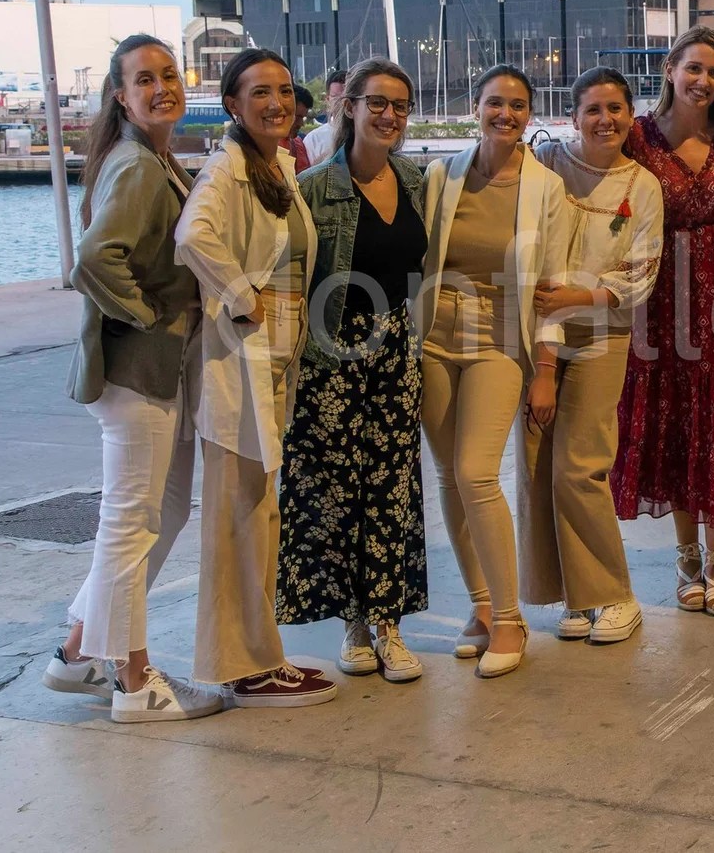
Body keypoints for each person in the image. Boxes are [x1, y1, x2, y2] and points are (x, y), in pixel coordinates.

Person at [42, 34, 223, 722]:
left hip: (156, 373)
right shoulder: (140, 166)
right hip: (136, 373)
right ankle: (134, 680)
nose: (160, 87)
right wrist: (148, 313)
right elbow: (92, 259)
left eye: (169, 74)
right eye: (144, 79)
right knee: (130, 523)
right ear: (121, 95)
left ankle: (78, 651)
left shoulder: (153, 158)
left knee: (165, 511)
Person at [175, 49, 337, 706]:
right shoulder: (226, 170)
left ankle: (254, 653)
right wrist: (244, 295)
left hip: (272, 365)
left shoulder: (273, 167)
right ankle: (245, 663)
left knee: (256, 511)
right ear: (234, 105)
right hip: (240, 365)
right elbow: (194, 237)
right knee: (240, 513)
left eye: (283, 90)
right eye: (258, 92)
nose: (276, 102)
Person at [418, 64, 573, 677]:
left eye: (516, 106)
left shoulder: (545, 188)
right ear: (474, 107)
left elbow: (553, 285)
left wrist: (546, 369)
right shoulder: (440, 176)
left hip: (501, 341)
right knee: (451, 480)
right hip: (433, 338)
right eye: (493, 103)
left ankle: (510, 619)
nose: (504, 114)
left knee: (478, 472)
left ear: (528, 116)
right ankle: (481, 608)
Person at [277, 57, 428, 682]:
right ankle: (353, 623)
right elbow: (286, 278)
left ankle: (388, 622)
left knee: (391, 490)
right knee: (336, 494)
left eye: (398, 104)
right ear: (351, 108)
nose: (388, 115)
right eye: (376, 103)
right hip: (331, 359)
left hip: (395, 354)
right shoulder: (313, 189)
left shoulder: (418, 182)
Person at [613, 27, 714, 617]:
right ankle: (686, 559)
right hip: (657, 293)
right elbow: (601, 192)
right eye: (694, 68)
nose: (704, 80)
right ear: (671, 69)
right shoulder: (637, 138)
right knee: (674, 421)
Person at [520, 67, 662, 644]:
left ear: (632, 116)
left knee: (581, 466)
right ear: (573, 117)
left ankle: (615, 594)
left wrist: (582, 295)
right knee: (536, 467)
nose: (606, 120)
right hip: (537, 335)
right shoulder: (548, 168)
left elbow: (643, 269)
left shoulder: (643, 186)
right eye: (593, 110)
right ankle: (575, 595)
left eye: (616, 109)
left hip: (603, 333)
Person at [303, 70, 346, 166]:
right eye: (336, 97)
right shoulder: (314, 139)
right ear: (327, 100)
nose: (342, 102)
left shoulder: (367, 134)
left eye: (346, 97)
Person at [285, 85, 313, 173]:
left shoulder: (298, 144)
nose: (301, 124)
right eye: (297, 117)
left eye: (303, 117)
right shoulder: (265, 146)